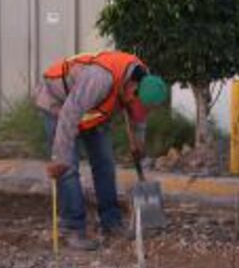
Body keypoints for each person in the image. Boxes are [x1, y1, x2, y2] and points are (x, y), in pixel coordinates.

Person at [35, 50, 168, 250]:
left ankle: (111, 222)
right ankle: (72, 228)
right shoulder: (99, 79)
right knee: (67, 169)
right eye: (132, 102)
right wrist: (58, 156)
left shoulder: (145, 80)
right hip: (60, 105)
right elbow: (70, 113)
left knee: (105, 163)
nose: (133, 108)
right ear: (132, 89)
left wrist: (138, 141)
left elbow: (139, 114)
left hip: (93, 111)